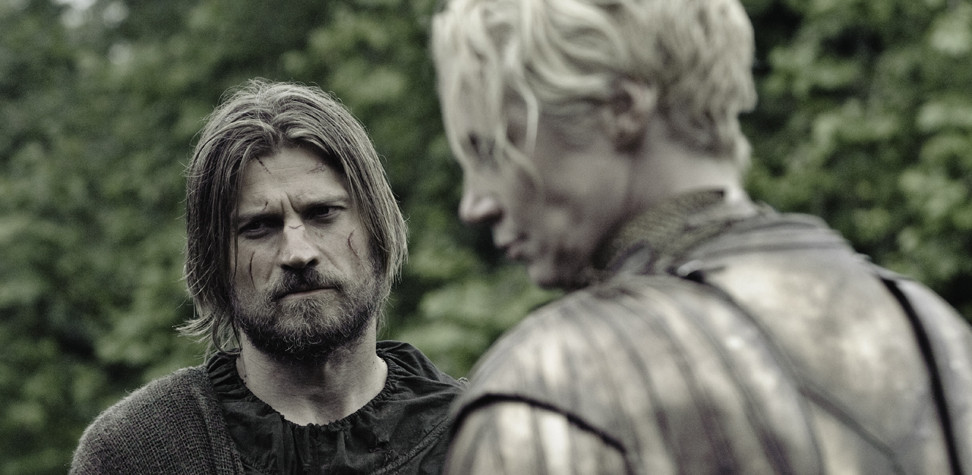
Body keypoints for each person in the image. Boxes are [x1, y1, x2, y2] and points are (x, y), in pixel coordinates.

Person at [431, 0, 972, 473]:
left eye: (490, 150)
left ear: (622, 109)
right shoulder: (936, 335)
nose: (474, 204)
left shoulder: (554, 387)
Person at [70, 79, 464, 474]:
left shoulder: (477, 438)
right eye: (259, 226)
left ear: (376, 226)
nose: (298, 253)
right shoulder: (136, 454)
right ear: (214, 259)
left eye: (322, 213)